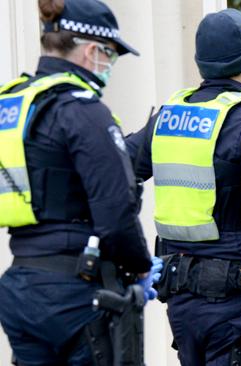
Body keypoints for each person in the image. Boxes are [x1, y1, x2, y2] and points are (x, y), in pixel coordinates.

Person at [125, 9, 241, 365]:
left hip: (180, 300)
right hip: (235, 303)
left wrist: (133, 256)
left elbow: (116, 171)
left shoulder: (169, 116)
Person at [0, 0, 158, 364]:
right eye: (112, 55)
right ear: (92, 50)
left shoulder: (14, 104)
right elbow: (116, 213)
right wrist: (143, 267)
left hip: (21, 282)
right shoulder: (83, 110)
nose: (110, 65)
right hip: (76, 293)